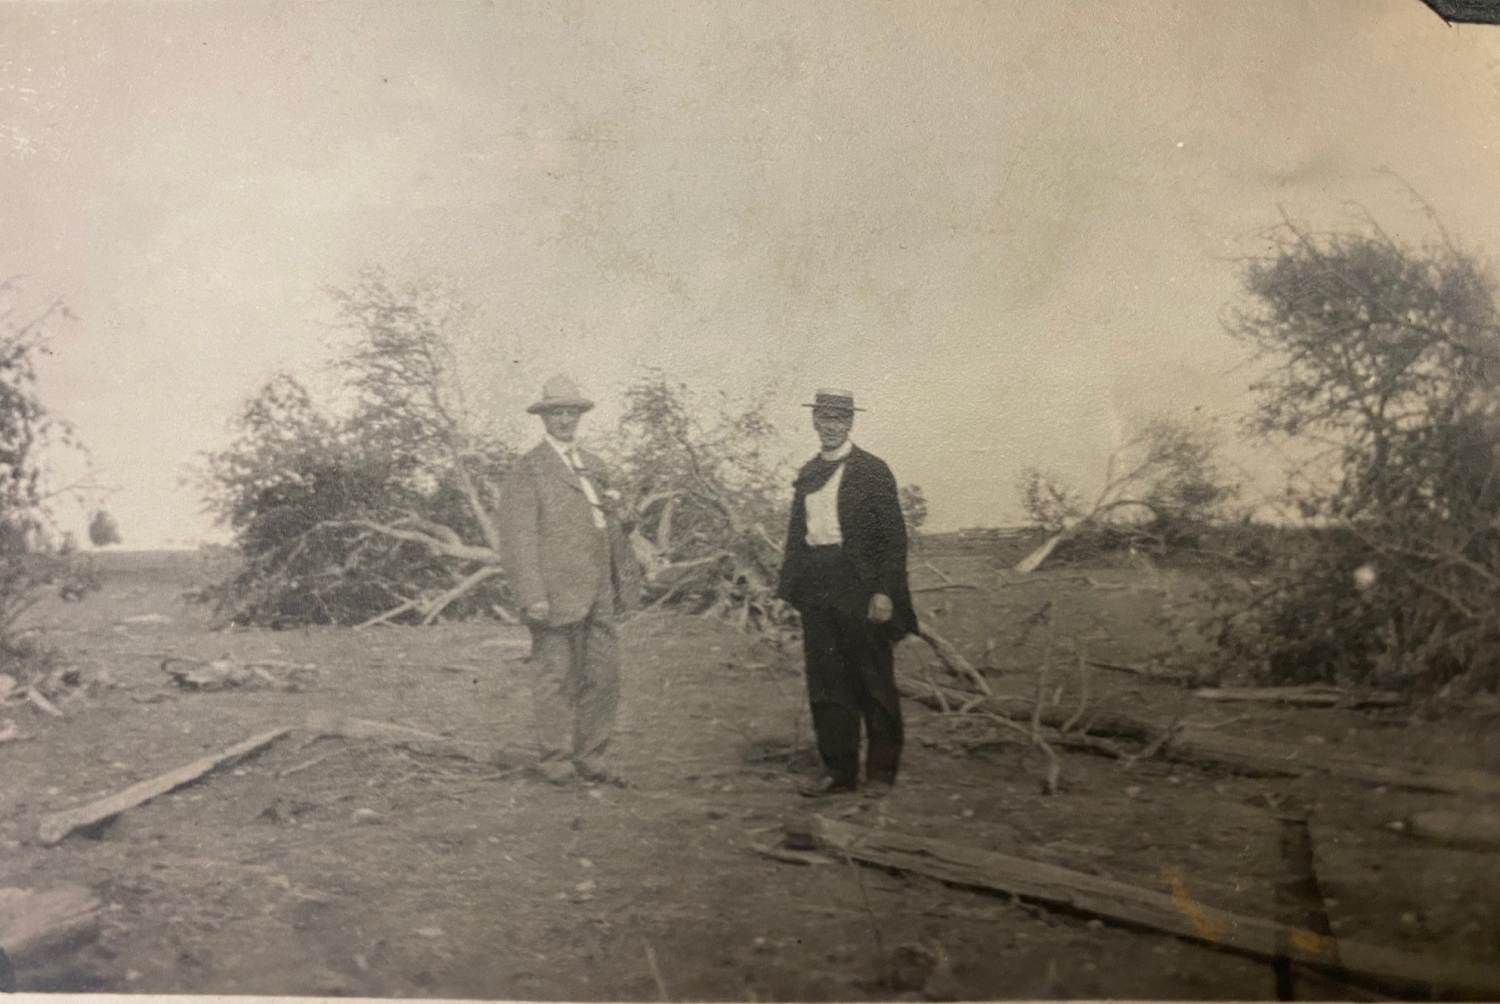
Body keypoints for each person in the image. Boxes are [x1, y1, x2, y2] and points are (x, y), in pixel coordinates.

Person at [776, 388, 918, 797]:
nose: (830, 425)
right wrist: (792, 592)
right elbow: (796, 537)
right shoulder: (808, 473)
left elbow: (893, 539)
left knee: (872, 678)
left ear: (850, 422)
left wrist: (884, 592)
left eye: (838, 418)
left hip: (860, 585)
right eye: (823, 418)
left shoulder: (872, 470)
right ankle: (839, 772)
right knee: (826, 683)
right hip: (817, 586)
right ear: (814, 421)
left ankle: (880, 774)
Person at [498, 374, 636, 785]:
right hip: (556, 594)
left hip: (601, 591)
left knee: (603, 676)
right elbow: (518, 538)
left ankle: (592, 757)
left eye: (570, 412)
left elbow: (607, 525)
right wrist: (532, 595)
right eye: (556, 412)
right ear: (544, 418)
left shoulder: (596, 466)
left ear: (579, 416)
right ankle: (556, 759)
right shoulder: (529, 469)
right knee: (555, 675)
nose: (564, 420)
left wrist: (624, 518)